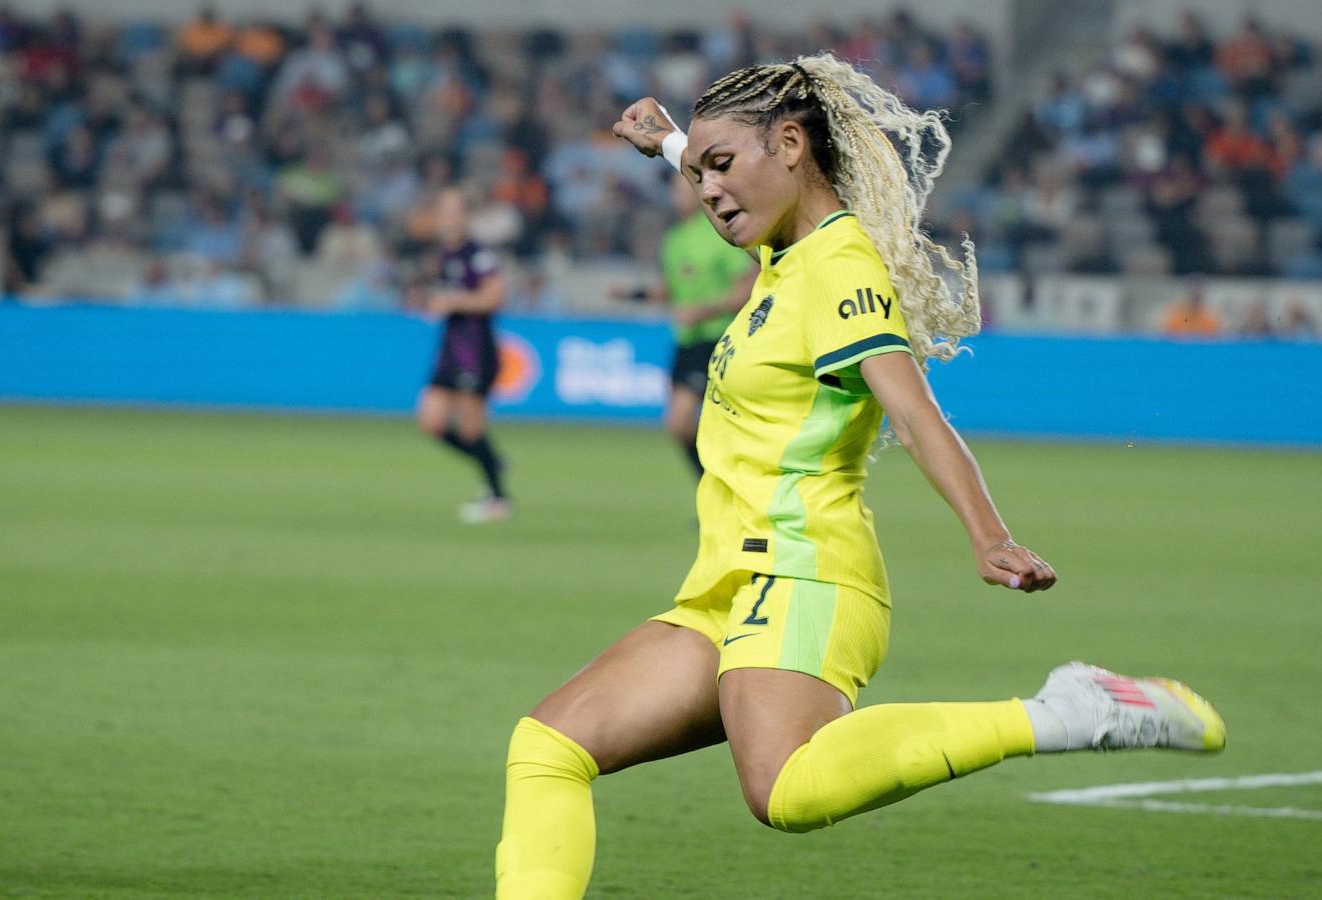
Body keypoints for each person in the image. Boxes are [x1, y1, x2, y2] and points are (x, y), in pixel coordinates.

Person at [494, 55, 1225, 899]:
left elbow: (915, 413)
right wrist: (675, 146)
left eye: (721, 168)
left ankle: (1070, 712)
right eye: (698, 178)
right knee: (547, 747)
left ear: (794, 144)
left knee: (787, 790)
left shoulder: (839, 268)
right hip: (730, 584)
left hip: (805, 571)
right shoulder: (786, 249)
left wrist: (990, 536)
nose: (707, 193)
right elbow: (739, 173)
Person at [411, 188, 510, 523]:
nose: (449, 217)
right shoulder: (442, 256)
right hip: (450, 348)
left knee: (470, 428)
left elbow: (494, 297)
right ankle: (491, 460)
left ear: (465, 216)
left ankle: (497, 497)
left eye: (455, 210)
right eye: (444, 210)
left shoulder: (477, 254)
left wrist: (453, 301)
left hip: (475, 350)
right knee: (431, 421)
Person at [659, 171, 757, 477]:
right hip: (686, 341)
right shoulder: (674, 238)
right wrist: (633, 293)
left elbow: (747, 287)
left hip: (718, 338)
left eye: (682, 188)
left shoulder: (718, 233)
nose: (677, 196)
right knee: (679, 426)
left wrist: (705, 311)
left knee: (681, 419)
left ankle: (719, 486)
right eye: (673, 190)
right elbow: (674, 290)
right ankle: (718, 487)